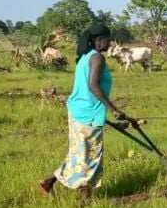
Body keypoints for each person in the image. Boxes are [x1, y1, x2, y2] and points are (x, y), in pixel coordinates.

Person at [39, 24, 135, 198]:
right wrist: (113, 109)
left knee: (78, 152)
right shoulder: (97, 58)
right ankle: (85, 202)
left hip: (79, 110)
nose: (111, 42)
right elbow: (93, 86)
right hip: (88, 113)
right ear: (99, 40)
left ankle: (49, 182)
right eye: (108, 38)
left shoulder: (84, 56)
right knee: (90, 157)